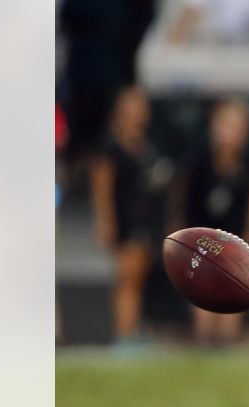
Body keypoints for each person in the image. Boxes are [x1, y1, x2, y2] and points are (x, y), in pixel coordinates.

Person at [173, 98, 249, 347]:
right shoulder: (198, 159)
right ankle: (204, 340)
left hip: (233, 239)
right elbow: (181, 196)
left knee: (233, 291)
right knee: (202, 291)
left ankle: (228, 342)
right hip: (200, 237)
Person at [89, 85, 172, 350]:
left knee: (138, 277)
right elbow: (101, 186)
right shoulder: (110, 145)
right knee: (127, 278)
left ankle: (132, 328)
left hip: (146, 217)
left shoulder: (146, 144)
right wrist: (106, 222)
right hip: (125, 218)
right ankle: (123, 335)